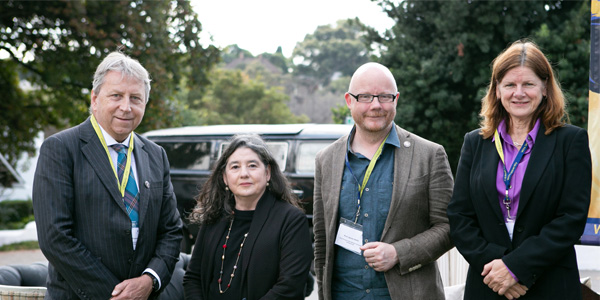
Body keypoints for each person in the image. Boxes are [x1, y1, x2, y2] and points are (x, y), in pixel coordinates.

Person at [447, 40, 592, 299]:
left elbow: (571, 219)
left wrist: (516, 268)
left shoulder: (571, 142)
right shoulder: (475, 143)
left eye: (528, 84)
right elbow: (460, 217)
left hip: (550, 284)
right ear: (497, 90)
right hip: (488, 283)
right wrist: (500, 268)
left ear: (545, 88)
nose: (519, 93)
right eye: (510, 85)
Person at [32, 51, 183, 299]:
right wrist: (114, 295)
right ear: (94, 99)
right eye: (116, 96)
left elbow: (171, 230)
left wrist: (149, 280)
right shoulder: (60, 149)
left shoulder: (156, 155)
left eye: (136, 98)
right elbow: (55, 236)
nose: (126, 107)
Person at [313, 62, 454, 300]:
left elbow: (450, 227)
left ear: (396, 99)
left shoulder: (429, 155)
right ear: (349, 100)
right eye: (365, 97)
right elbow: (321, 241)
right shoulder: (326, 160)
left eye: (385, 97)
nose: (376, 105)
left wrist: (399, 253)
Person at [183, 134, 312, 300]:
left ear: (267, 173)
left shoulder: (291, 220)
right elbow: (193, 278)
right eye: (235, 167)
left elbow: (290, 286)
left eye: (252, 165)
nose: (243, 174)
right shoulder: (213, 217)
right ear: (225, 177)